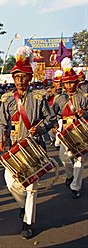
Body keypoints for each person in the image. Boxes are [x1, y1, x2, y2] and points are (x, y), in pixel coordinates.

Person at [0, 46, 56, 239]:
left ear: (30, 78)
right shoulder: (7, 100)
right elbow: (1, 123)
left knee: (31, 187)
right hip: (14, 149)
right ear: (13, 79)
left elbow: (51, 119)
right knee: (11, 183)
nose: (20, 81)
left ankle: (28, 222)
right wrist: (1, 140)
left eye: (23, 77)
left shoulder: (38, 98)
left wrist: (40, 128)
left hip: (34, 148)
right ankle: (22, 206)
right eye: (17, 77)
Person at [52, 58, 88, 199]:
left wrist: (84, 113)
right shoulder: (59, 99)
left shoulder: (84, 97)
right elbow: (52, 114)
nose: (69, 85)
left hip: (81, 131)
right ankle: (69, 175)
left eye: (71, 82)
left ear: (77, 83)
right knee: (64, 157)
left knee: (80, 159)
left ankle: (75, 187)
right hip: (65, 130)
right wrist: (54, 124)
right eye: (66, 83)